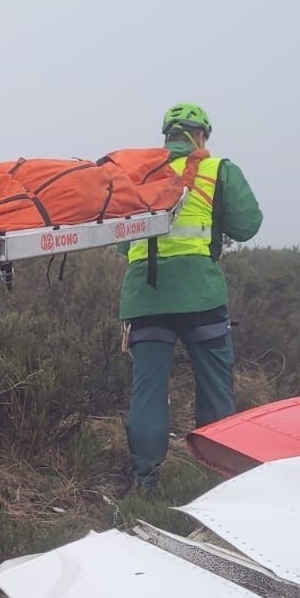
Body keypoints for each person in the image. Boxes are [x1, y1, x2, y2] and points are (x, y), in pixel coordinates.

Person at [118, 103, 262, 493]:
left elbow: (119, 241)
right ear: (202, 136)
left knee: (148, 391)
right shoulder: (219, 170)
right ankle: (220, 479)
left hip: (145, 298)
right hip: (202, 295)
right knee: (215, 387)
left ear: (166, 135)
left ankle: (144, 481)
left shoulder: (138, 173)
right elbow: (248, 225)